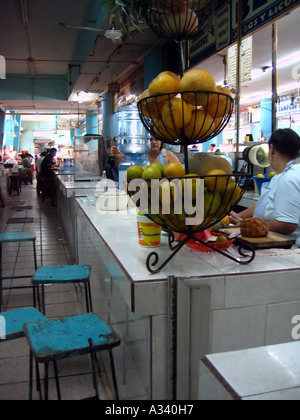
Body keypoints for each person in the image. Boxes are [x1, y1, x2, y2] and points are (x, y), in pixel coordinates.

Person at [230, 128, 300, 246]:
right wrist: (235, 218)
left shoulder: (288, 180)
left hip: (288, 249)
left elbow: (287, 225)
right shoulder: (282, 176)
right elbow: (265, 205)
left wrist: (250, 225)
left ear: (272, 150)